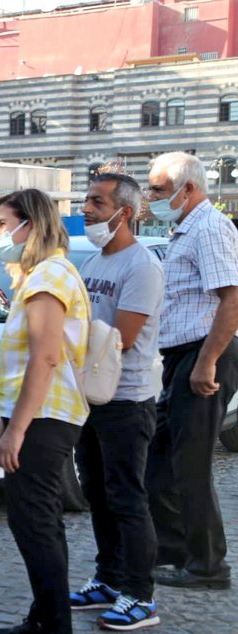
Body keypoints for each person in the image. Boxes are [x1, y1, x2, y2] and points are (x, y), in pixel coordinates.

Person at [0, 189, 89, 634]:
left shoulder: (50, 276)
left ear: (30, 224)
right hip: (38, 417)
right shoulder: (41, 275)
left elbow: (46, 357)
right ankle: (45, 619)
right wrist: (6, 422)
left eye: (3, 223)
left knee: (37, 525)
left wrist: (17, 429)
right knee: (36, 522)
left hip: (46, 419)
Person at [71, 173, 164, 631]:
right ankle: (108, 579)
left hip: (126, 400)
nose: (86, 208)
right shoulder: (94, 263)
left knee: (127, 498)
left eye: (96, 201)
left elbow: (121, 338)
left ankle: (140, 595)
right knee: (99, 495)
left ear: (124, 212)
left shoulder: (141, 266)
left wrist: (65, 338)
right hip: (91, 398)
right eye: (86, 200)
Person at [145, 151, 238, 589]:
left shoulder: (209, 227)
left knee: (190, 465)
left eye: (159, 189)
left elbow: (231, 299)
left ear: (188, 189)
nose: (152, 196)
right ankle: (174, 549)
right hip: (182, 356)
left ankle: (208, 566)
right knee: (160, 460)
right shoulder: (186, 227)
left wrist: (207, 362)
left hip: (202, 354)